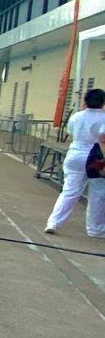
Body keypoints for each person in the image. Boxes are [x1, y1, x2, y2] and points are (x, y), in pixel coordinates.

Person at [45, 87, 105, 236]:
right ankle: (95, 229)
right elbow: (103, 139)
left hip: (75, 155)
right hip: (96, 157)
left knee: (69, 191)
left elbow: (71, 133)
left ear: (86, 101)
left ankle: (53, 222)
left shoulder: (76, 116)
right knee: (97, 193)